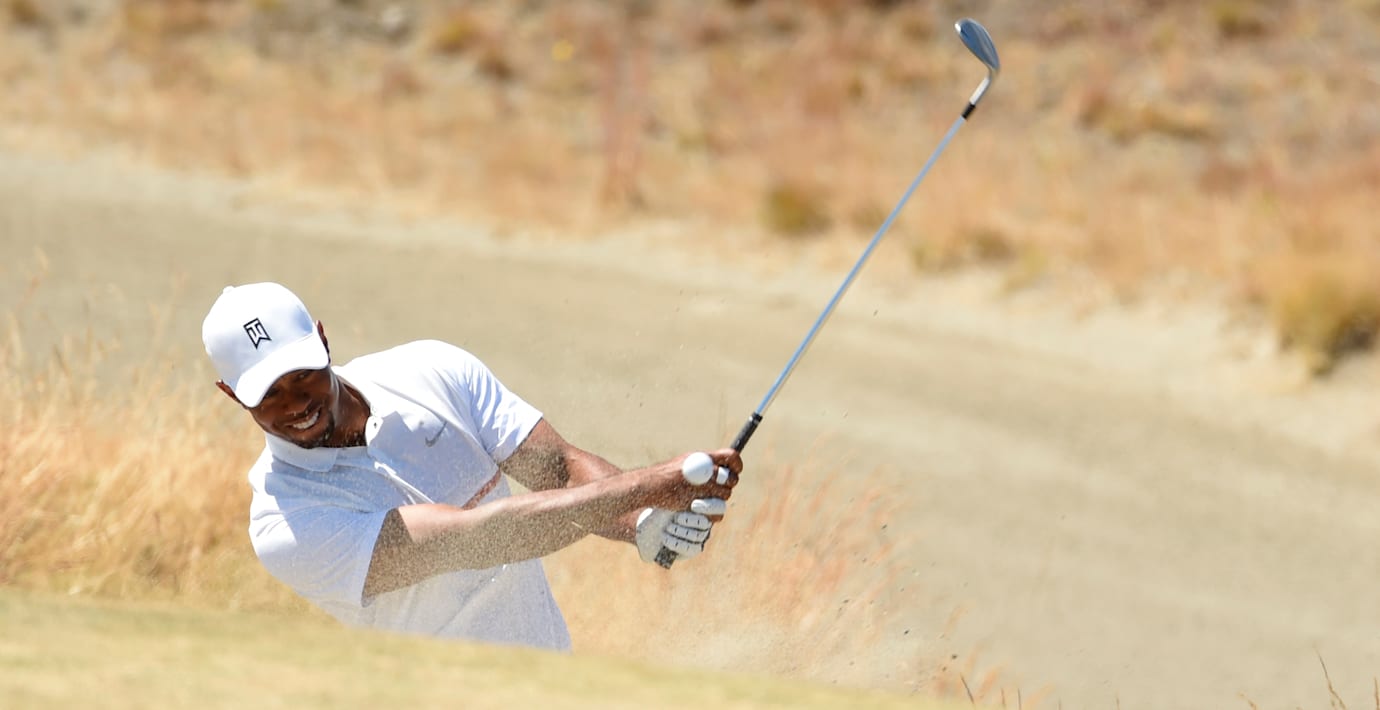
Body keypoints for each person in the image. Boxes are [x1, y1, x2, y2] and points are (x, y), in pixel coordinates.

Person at [201, 282, 741, 651]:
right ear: (231, 394)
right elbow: (481, 539)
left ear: (322, 340)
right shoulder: (284, 522)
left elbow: (557, 467)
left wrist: (642, 523)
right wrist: (651, 485)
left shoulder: (430, 369)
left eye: (302, 375)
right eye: (268, 394)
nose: (295, 403)